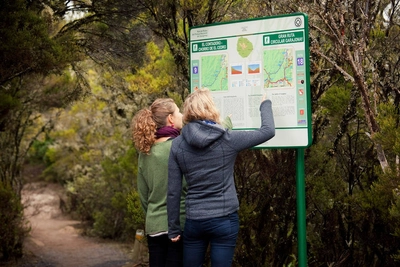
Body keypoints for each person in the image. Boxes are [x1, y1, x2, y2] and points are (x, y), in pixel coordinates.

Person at [167, 88, 275, 267]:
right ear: (211, 109)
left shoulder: (177, 145)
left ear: (187, 112)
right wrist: (265, 104)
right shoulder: (227, 138)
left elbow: (173, 191)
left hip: (194, 220)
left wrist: (173, 228)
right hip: (224, 219)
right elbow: (268, 131)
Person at [132, 98, 186, 267]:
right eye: (178, 112)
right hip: (179, 221)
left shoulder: (145, 152)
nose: (182, 115)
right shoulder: (179, 146)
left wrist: (153, 215)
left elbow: (143, 195)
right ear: (170, 118)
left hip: (154, 224)